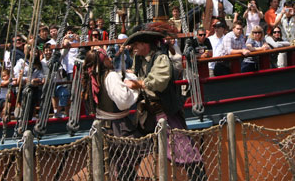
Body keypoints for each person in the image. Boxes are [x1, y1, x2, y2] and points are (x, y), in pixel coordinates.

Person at [124, 22, 206, 181]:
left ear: (144, 44)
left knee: (186, 152)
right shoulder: (139, 59)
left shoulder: (160, 58)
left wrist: (139, 84)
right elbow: (136, 74)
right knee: (132, 152)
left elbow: (159, 82)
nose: (133, 47)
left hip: (164, 115)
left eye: (135, 44)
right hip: (147, 117)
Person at [83, 48, 141, 180]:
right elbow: (124, 101)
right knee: (127, 162)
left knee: (107, 164)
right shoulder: (110, 76)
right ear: (103, 61)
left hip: (101, 126)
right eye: (107, 58)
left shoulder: (94, 77)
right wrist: (134, 85)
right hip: (118, 127)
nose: (110, 59)